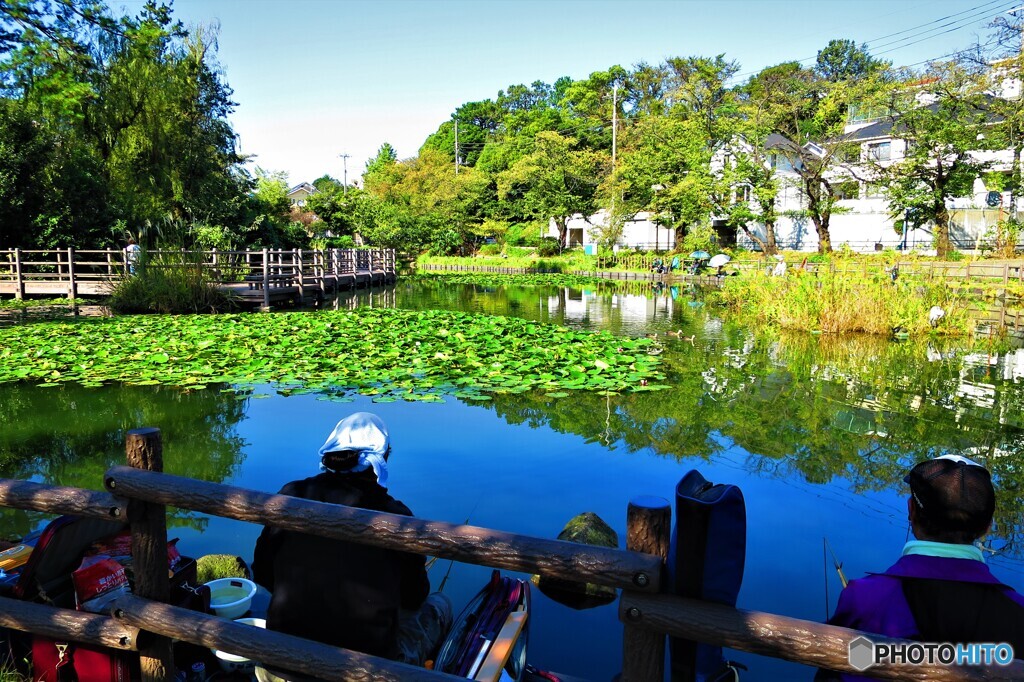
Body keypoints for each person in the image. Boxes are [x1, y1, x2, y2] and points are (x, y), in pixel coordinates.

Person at [252, 412, 452, 669]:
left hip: (282, 661)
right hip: (363, 670)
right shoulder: (396, 517)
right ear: (383, 458)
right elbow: (414, 598)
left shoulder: (292, 495)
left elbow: (262, 573)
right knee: (440, 605)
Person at [817, 455, 1024, 680]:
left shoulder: (864, 598)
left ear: (911, 510)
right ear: (987, 527)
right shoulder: (1018, 612)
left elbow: (832, 669)